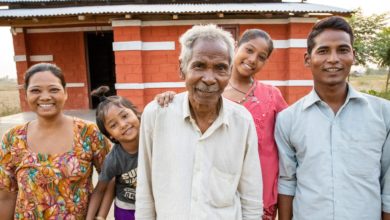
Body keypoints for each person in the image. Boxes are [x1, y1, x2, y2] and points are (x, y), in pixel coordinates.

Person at [156, 28, 287, 220]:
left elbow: (288, 136)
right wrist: (168, 97)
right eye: (249, 50)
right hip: (216, 185)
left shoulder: (271, 95)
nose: (252, 59)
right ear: (236, 48)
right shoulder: (212, 91)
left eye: (261, 57)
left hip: (260, 189)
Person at [136, 24, 263, 219]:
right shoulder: (156, 115)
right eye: (199, 66)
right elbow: (145, 191)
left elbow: (251, 197)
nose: (209, 78)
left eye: (220, 68)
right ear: (182, 69)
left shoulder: (242, 122)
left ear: (229, 72)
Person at [275, 16, 390, 220]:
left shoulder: (383, 114)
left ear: (353, 56)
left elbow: (388, 184)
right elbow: (287, 181)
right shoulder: (288, 120)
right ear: (307, 59)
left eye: (342, 50)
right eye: (323, 50)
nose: (333, 59)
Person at [0, 63, 111, 219]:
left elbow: (109, 180)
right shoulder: (13, 138)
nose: (45, 96)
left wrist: (99, 217)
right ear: (26, 95)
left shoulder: (89, 133)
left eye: (53, 89)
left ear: (65, 93)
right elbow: (6, 196)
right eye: (35, 90)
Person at [86, 86, 141, 220]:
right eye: (113, 125)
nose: (122, 124)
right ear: (111, 136)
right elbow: (100, 190)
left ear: (136, 114)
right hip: (127, 210)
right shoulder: (113, 159)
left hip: (155, 204)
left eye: (125, 116)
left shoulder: (153, 140)